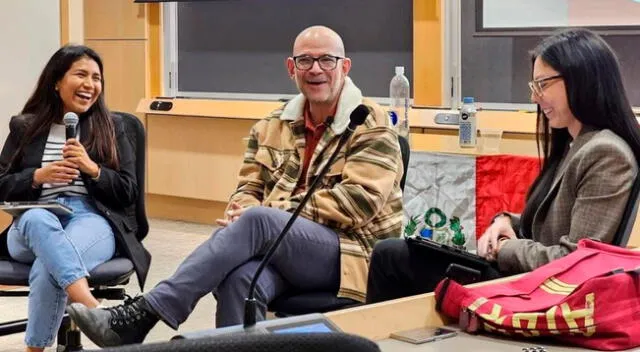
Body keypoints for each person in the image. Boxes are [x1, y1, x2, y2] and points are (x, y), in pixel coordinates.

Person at [66, 25, 404, 347]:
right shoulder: (271, 125)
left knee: (258, 221)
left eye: (326, 60)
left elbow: (358, 203)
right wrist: (239, 211)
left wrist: (262, 214)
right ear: (291, 67)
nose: (315, 69)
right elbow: (248, 188)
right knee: (240, 279)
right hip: (284, 247)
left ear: (344, 66)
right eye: (305, 60)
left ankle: (148, 312)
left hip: (351, 253)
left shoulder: (370, 123)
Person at [366, 28, 640, 304]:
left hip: (539, 293)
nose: (535, 98)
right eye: (534, 87)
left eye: (542, 85)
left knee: (392, 256)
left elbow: (574, 263)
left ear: (581, 80)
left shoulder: (606, 153)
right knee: (396, 253)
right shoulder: (576, 143)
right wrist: (505, 221)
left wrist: (506, 248)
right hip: (528, 281)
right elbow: (549, 225)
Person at [0, 45, 149, 351]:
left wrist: (93, 169)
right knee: (38, 221)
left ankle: (34, 349)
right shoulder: (25, 126)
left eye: (97, 78)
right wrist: (37, 177)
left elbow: (128, 193)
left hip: (90, 219)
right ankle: (97, 314)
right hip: (32, 219)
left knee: (49, 265)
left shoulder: (114, 128)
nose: (90, 84)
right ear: (56, 81)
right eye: (80, 74)